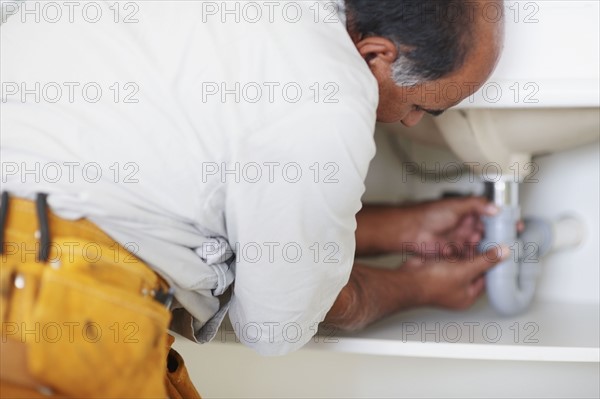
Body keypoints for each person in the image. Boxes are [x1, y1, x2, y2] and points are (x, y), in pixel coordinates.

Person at [0, 0, 505, 397]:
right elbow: (273, 326)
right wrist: (416, 287)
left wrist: (402, 228)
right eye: (423, 106)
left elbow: (202, 189)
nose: (410, 121)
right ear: (377, 54)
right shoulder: (327, 94)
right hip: (46, 299)